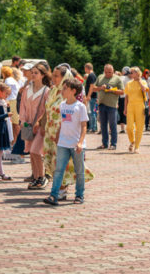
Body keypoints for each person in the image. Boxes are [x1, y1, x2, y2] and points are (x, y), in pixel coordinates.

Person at [43, 64, 94, 200]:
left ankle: (77, 194)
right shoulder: (54, 92)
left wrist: (80, 142)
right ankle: (56, 193)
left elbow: (83, 125)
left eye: (56, 75)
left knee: (76, 168)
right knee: (57, 166)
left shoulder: (76, 103)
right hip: (55, 136)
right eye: (53, 74)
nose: (53, 78)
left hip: (73, 140)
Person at [20, 63, 51, 189]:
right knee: (31, 152)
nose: (33, 74)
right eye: (32, 72)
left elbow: (47, 110)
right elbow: (22, 106)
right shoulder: (27, 89)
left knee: (36, 151)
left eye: (36, 72)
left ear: (43, 75)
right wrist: (22, 121)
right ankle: (36, 177)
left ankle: (42, 177)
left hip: (40, 125)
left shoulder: (46, 91)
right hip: (27, 124)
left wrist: (40, 123)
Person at [92, 64, 124, 150]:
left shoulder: (117, 78)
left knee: (113, 125)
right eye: (106, 72)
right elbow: (93, 88)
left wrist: (112, 90)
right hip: (101, 104)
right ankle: (104, 144)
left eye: (110, 72)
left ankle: (113, 144)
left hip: (112, 105)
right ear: (104, 71)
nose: (108, 74)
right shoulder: (100, 77)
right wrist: (100, 88)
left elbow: (122, 92)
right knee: (103, 126)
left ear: (113, 71)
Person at [124, 67, 149, 153]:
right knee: (129, 127)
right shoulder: (128, 83)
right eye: (130, 72)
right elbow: (126, 97)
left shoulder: (144, 82)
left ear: (138, 73)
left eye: (132, 72)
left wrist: (139, 81)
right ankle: (132, 141)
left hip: (140, 106)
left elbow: (145, 90)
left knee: (139, 127)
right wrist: (125, 108)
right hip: (130, 106)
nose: (131, 74)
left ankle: (137, 147)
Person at [2, 66, 21, 144]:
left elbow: (7, 91)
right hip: (15, 101)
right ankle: (15, 141)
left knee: (14, 123)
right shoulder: (13, 79)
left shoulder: (7, 80)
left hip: (11, 101)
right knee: (14, 123)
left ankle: (18, 141)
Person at [83, 63, 97, 133]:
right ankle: (92, 127)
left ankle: (93, 127)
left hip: (92, 96)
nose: (84, 70)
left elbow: (92, 86)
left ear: (87, 68)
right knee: (91, 112)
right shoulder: (92, 75)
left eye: (85, 68)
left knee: (92, 112)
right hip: (92, 96)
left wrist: (89, 95)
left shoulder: (91, 75)